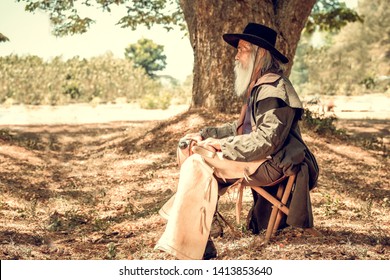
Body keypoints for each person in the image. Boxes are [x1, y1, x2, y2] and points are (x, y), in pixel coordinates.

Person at [155, 22, 319, 260]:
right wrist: (206, 134)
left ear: (259, 53)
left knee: (197, 162)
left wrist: (223, 145)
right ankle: (201, 230)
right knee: (191, 149)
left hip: (272, 164)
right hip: (261, 158)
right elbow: (241, 128)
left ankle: (193, 244)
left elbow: (267, 140)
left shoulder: (274, 90)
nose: (236, 55)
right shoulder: (260, 86)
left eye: (242, 49)